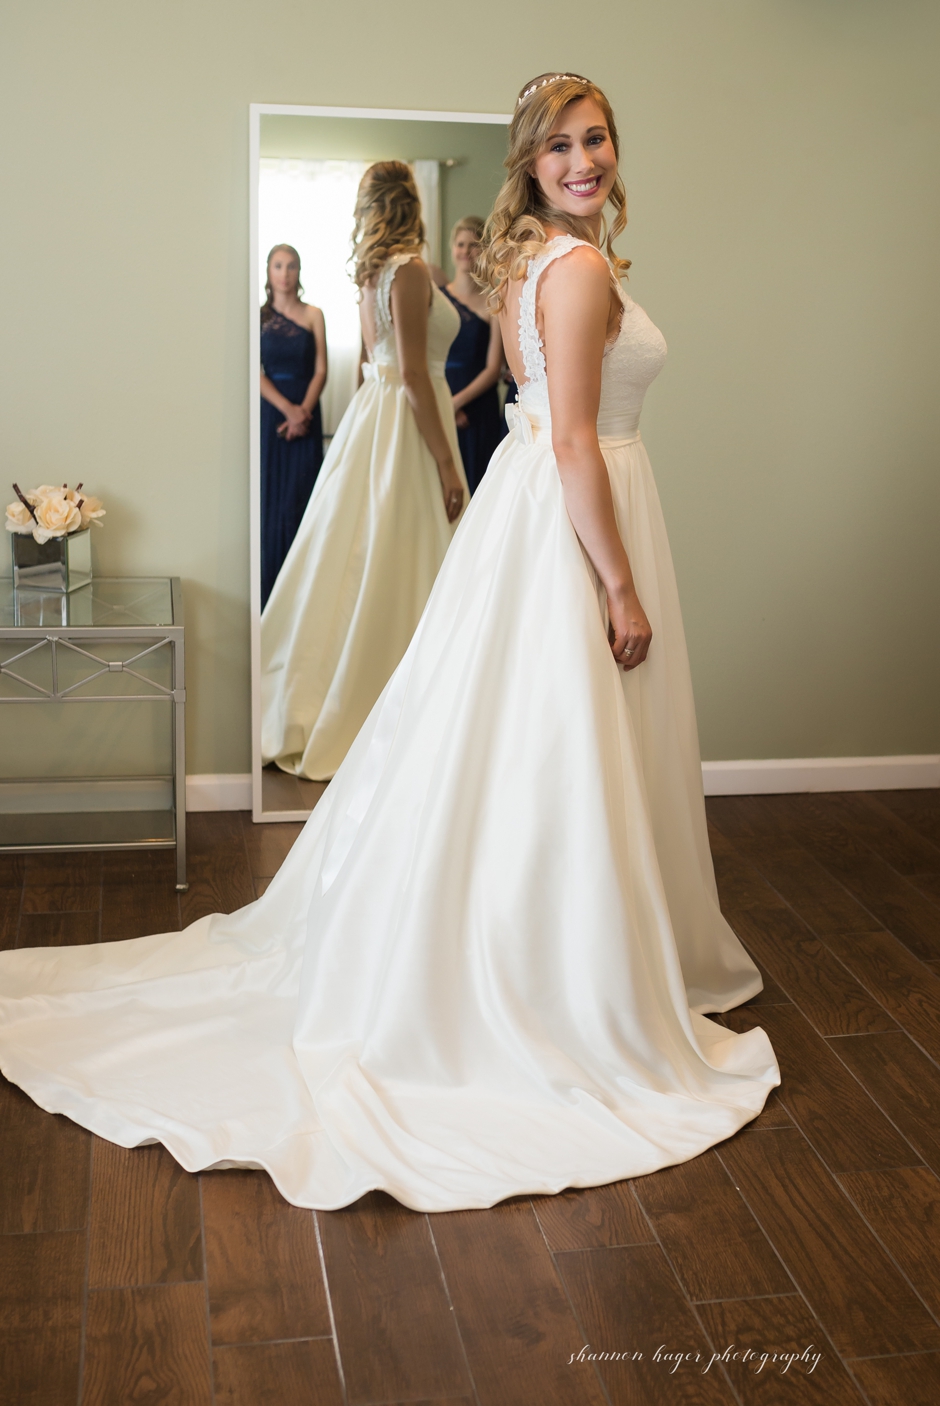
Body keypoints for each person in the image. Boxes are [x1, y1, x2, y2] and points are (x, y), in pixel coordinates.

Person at [0, 76, 778, 1214]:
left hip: (540, 506)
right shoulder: (572, 269)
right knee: (558, 743)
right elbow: (569, 437)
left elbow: (527, 413)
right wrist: (618, 583)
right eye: (558, 146)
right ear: (529, 164)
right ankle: (559, 973)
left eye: (596, 138)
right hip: (577, 509)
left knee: (530, 746)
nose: (582, 161)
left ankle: (571, 944)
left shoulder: (538, 261)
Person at [261, 162, 466, 781]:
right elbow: (412, 373)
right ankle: (395, 701)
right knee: (400, 551)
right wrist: (445, 462)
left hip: (380, 414)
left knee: (368, 550)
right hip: (406, 419)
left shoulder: (375, 271)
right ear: (410, 204)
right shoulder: (407, 270)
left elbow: (372, 366)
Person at [259, 245, 327, 607]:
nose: (284, 273)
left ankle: (303, 595)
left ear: (299, 271)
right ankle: (271, 593)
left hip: (308, 412)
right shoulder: (258, 317)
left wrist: (303, 412)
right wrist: (288, 411)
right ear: (268, 271)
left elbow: (321, 369)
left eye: (291, 266)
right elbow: (255, 372)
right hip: (273, 414)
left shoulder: (314, 314)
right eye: (278, 266)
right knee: (272, 501)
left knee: (302, 497)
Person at [441, 216, 506, 492]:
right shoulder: (436, 299)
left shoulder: (494, 301)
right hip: (439, 397)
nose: (466, 251)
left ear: (485, 250)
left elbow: (493, 369)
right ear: (452, 248)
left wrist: (456, 403)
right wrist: (445, 405)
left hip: (478, 406)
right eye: (460, 244)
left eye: (474, 244)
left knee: (477, 486)